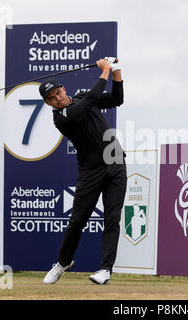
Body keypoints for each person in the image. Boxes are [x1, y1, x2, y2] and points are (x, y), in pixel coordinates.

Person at [40, 58, 127, 285]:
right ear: (48, 104)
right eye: (52, 98)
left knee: (112, 218)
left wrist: (116, 71)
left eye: (58, 92)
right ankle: (62, 263)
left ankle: (105, 270)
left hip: (116, 162)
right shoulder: (61, 118)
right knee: (78, 220)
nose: (58, 98)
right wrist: (105, 71)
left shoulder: (79, 96)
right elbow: (88, 101)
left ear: (63, 88)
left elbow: (117, 98)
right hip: (91, 171)